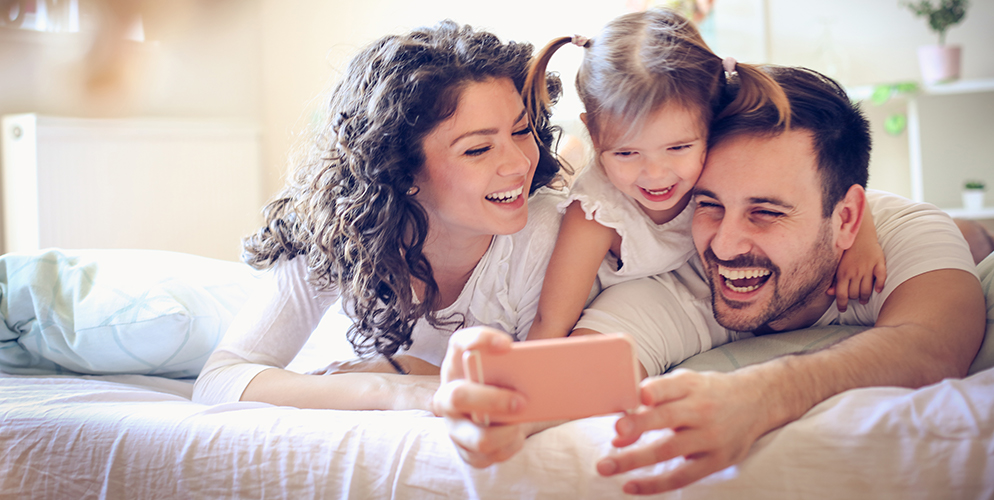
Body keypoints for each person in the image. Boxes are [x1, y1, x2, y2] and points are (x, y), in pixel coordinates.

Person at [432, 66, 986, 493]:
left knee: (973, 242)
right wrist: (497, 409)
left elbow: (934, 344)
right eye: (708, 204)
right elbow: (587, 370)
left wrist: (764, 394)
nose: (723, 245)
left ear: (845, 219)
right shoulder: (683, 278)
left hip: (928, 233)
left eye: (766, 212)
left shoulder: (898, 231)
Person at [192, 21, 570, 411]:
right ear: (401, 169)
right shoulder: (340, 232)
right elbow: (221, 379)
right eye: (478, 149)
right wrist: (383, 389)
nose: (519, 163)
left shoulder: (548, 234)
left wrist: (413, 370)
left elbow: (546, 388)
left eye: (522, 131)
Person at [524, 9, 885, 352]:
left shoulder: (715, 145)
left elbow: (837, 181)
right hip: (609, 304)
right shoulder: (596, 214)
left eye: (678, 147)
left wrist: (861, 240)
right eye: (626, 153)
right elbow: (551, 320)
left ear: (710, 119)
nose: (656, 175)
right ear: (595, 132)